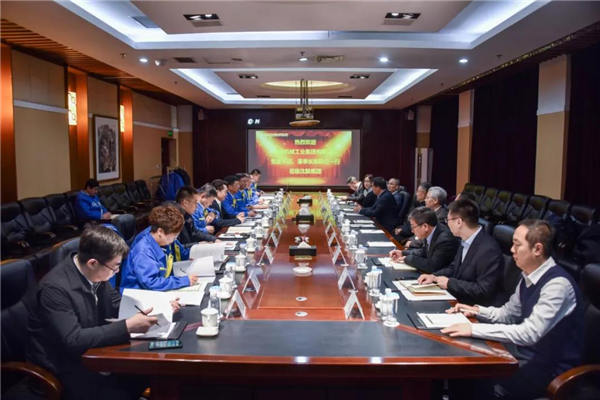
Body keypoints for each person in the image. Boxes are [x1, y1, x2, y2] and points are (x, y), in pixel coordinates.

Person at [442, 219, 584, 400]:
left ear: (537, 249)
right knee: (465, 371)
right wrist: (476, 311)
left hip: (549, 369)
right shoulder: (528, 275)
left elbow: (529, 334)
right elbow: (508, 314)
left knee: (473, 377)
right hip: (527, 356)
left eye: (517, 245)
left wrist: (473, 329)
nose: (511, 250)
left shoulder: (557, 286)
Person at [27, 225, 158, 400]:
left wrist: (157, 305)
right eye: (115, 267)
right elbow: (73, 340)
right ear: (93, 263)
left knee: (149, 374)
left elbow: (116, 303)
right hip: (63, 366)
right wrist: (127, 326)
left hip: (92, 353)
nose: (116, 272)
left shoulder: (94, 272)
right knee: (128, 387)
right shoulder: (54, 289)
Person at [417, 199, 502, 306]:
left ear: (459, 222)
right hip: (458, 298)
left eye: (448, 220)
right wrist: (434, 277)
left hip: (472, 306)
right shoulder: (465, 239)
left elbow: (483, 290)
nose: (447, 224)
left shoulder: (488, 249)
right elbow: (453, 268)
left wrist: (450, 283)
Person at [120, 205, 198, 291]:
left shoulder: (163, 243)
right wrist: (183, 281)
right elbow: (151, 283)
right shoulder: (143, 251)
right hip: (139, 294)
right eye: (174, 236)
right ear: (160, 231)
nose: (174, 239)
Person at [389, 207, 460, 273]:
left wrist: (407, 259)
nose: (412, 231)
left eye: (413, 227)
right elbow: (424, 251)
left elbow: (432, 266)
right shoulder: (431, 230)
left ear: (425, 226)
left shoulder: (445, 240)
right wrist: (403, 253)